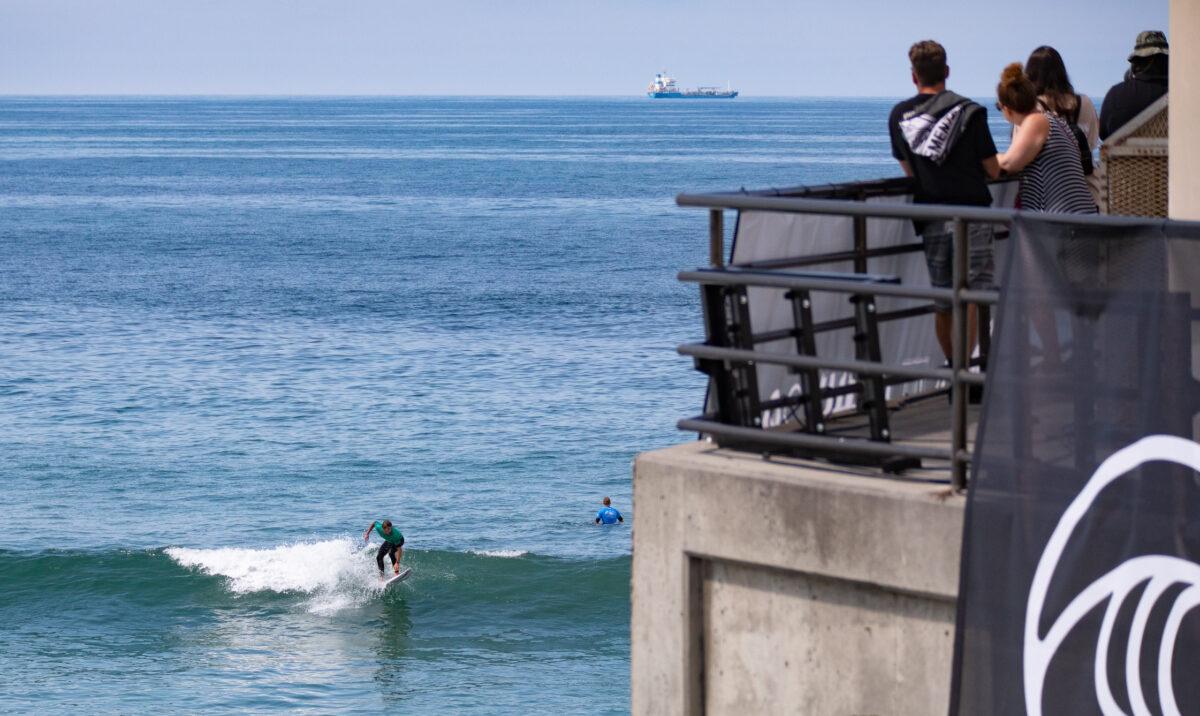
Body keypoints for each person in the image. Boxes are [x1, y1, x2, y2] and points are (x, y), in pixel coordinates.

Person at [888, 40, 1000, 368]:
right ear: (947, 72)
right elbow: (992, 169)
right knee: (971, 297)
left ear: (913, 77)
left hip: (932, 215)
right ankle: (965, 373)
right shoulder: (971, 111)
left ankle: (954, 368)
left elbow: (909, 172)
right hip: (972, 215)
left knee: (943, 300)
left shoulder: (898, 116)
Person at [995, 63, 1097, 215]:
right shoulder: (1057, 122)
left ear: (1006, 108)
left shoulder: (1036, 122)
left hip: (1062, 225)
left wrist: (984, 157)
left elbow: (1009, 163)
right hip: (1080, 220)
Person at [1024, 46, 1099, 202]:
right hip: (1088, 194)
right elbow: (1092, 143)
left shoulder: (1032, 108)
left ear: (1030, 76)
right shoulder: (1085, 102)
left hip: (1049, 197)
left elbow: (1023, 155)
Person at [1099, 31, 1169, 141]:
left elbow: (1103, 134)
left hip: (1124, 157)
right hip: (1173, 158)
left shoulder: (1116, 95)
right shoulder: (1182, 96)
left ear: (1136, 62)